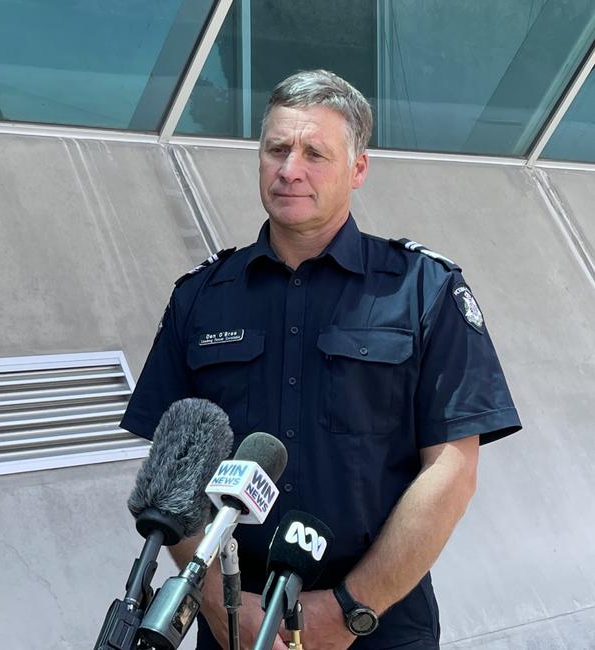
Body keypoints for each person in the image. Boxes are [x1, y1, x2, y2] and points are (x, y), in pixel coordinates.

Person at [121, 69, 521, 649]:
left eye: (315, 153)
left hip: (377, 626)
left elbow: (452, 473)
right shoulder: (200, 298)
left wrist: (349, 609)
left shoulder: (423, 291)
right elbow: (172, 475)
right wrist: (217, 602)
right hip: (234, 620)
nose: (290, 170)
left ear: (358, 169)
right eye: (277, 149)